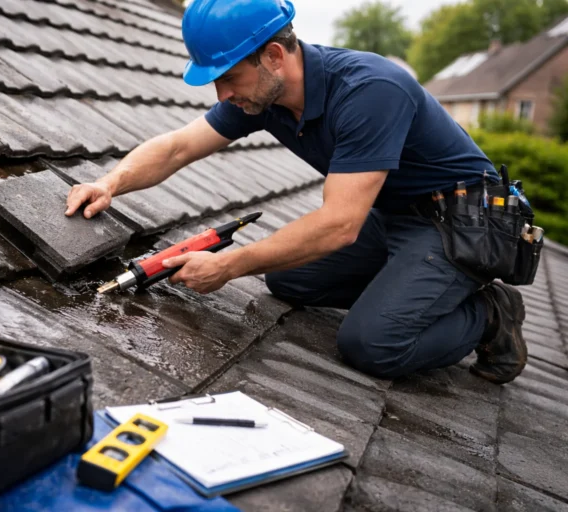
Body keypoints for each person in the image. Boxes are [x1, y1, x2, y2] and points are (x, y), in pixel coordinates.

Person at [64, 0, 527, 384]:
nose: (222, 94)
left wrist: (227, 264)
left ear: (273, 56)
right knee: (287, 279)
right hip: (392, 214)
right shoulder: (263, 95)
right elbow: (178, 147)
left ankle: (489, 313)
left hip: (460, 225)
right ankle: (408, 287)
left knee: (371, 345)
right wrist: (109, 183)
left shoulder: (371, 91)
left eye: (227, 78)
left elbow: (341, 224)